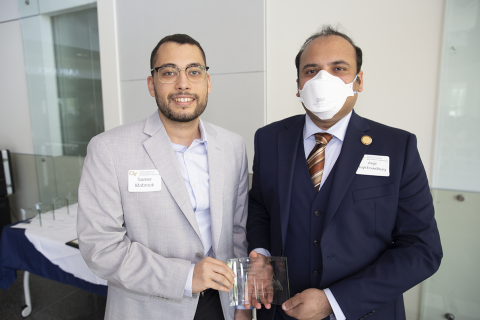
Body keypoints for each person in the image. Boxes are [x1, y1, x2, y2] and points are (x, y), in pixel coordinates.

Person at [246, 26, 442, 320]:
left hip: (366, 313)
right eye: (311, 71)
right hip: (281, 312)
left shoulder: (397, 147)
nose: (323, 79)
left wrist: (334, 301)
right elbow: (260, 205)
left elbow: (422, 249)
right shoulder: (269, 138)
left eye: (338, 68)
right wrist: (259, 252)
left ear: (359, 80)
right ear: (298, 84)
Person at [77, 34, 251, 320]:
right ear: (151, 84)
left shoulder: (232, 146)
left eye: (194, 72)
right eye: (169, 72)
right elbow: (100, 247)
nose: (183, 83)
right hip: (148, 308)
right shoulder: (108, 148)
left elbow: (238, 233)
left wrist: (241, 303)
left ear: (207, 83)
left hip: (221, 305)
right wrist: (184, 276)